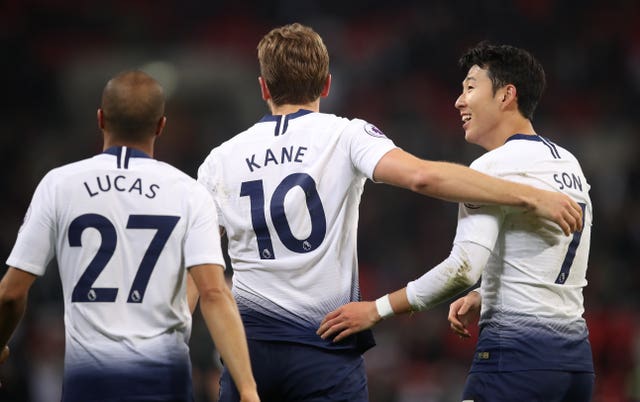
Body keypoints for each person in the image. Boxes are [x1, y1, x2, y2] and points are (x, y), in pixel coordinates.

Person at [197, 24, 583, 402]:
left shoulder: (218, 160)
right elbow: (422, 177)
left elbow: (197, 271)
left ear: (263, 86)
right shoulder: (347, 135)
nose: (459, 100)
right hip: (326, 343)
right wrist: (529, 195)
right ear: (327, 85)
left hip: (248, 352)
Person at [318, 42, 594, 401]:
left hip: (517, 360)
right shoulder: (568, 163)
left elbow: (463, 268)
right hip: (575, 363)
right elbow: (554, 261)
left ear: (506, 95)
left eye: (470, 87)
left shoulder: (492, 168)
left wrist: (377, 309)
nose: (458, 101)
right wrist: (487, 293)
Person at [0, 71, 259, 402]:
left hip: (88, 386)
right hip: (165, 385)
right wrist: (248, 390)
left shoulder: (59, 185)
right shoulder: (190, 194)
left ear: (100, 119)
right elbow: (214, 294)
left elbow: (10, 294)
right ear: (160, 125)